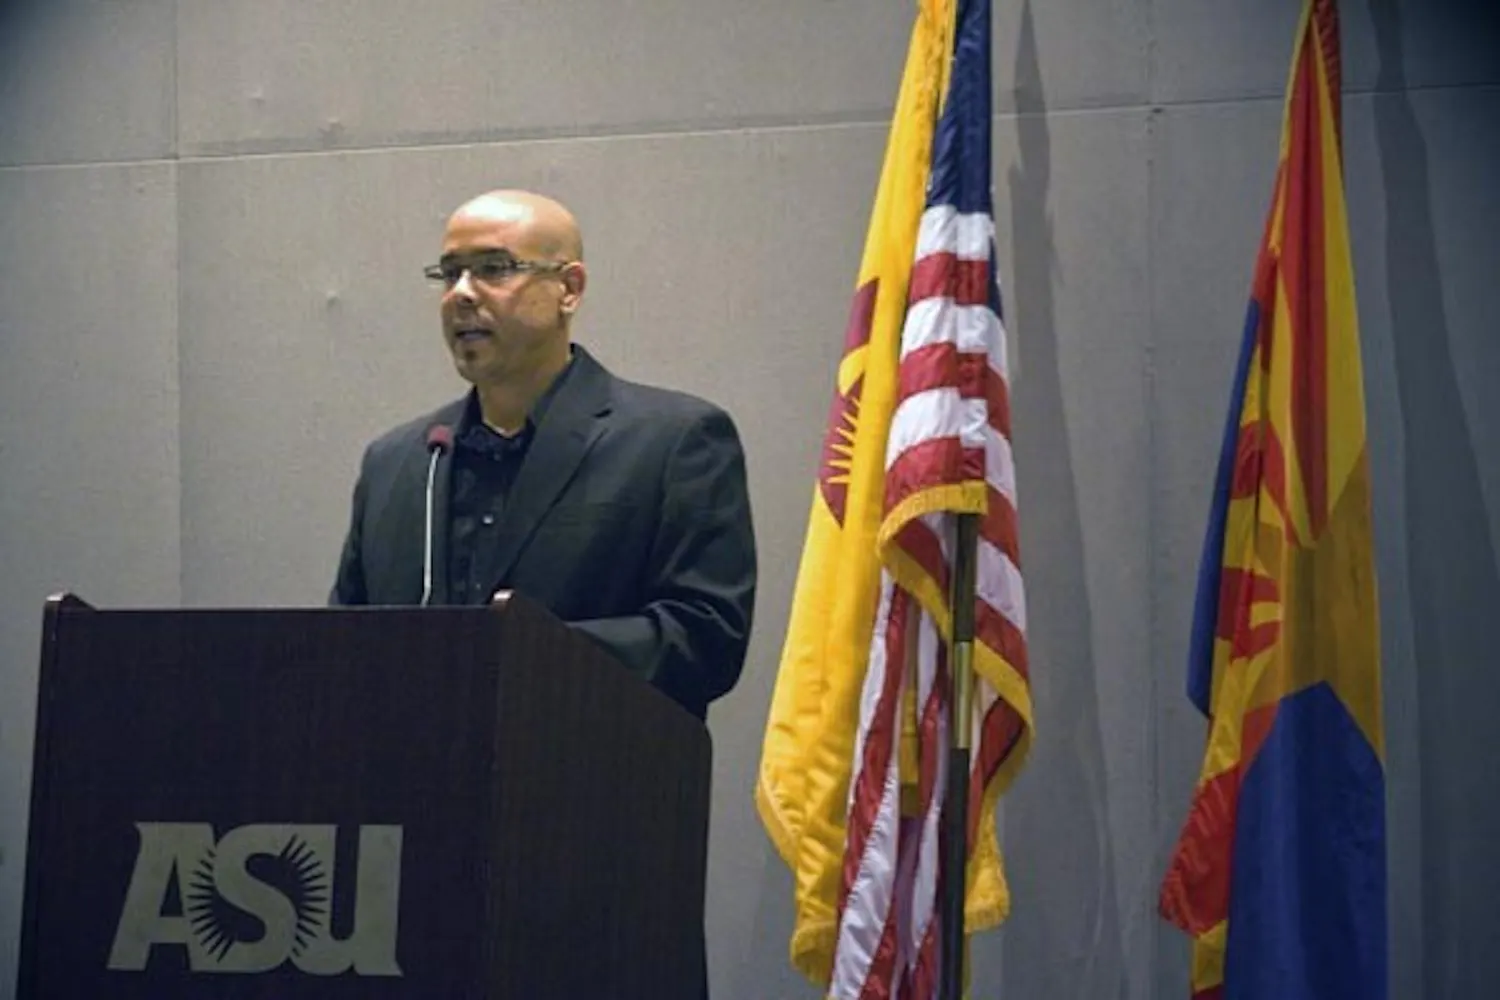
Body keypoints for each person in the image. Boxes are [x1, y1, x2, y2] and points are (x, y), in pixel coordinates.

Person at [330, 189, 756, 720]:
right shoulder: (397, 462)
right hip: (412, 767)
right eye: (450, 273)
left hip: (588, 761)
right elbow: (344, 647)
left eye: (494, 268)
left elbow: (705, 638)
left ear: (568, 289)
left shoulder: (674, 442)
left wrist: (515, 658)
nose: (462, 293)